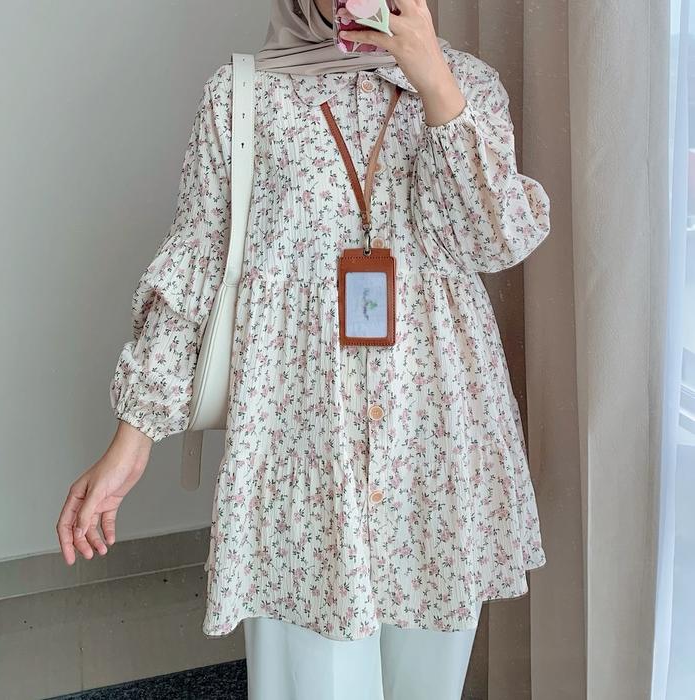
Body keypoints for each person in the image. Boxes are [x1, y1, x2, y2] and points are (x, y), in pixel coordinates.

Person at [56, 0, 551, 697]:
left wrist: (434, 80)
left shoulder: (467, 84)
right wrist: (131, 439)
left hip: (436, 446)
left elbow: (493, 241)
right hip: (301, 451)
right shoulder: (241, 97)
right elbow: (196, 268)